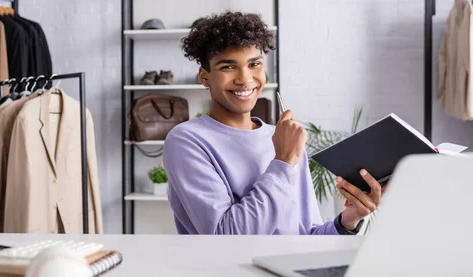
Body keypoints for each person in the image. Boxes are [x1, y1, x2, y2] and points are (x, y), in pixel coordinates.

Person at [163, 11, 384, 235]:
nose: (244, 78)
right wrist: (284, 161)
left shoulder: (284, 139)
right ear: (204, 77)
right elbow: (227, 236)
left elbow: (307, 235)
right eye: (228, 67)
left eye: (254, 64)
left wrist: (349, 219)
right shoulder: (186, 140)